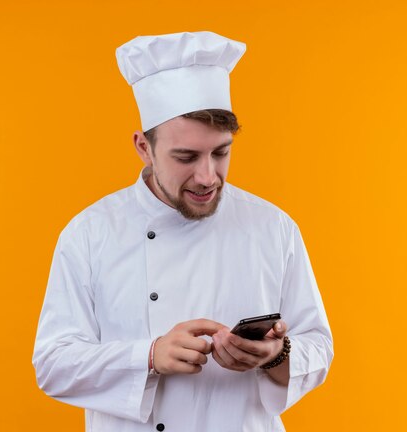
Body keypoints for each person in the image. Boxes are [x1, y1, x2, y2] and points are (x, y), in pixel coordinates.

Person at [32, 31, 333, 432]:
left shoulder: (272, 227)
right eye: (186, 157)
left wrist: (276, 355)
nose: (208, 176)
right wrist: (150, 356)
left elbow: (320, 348)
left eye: (221, 152)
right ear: (144, 147)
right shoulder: (89, 234)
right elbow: (53, 365)